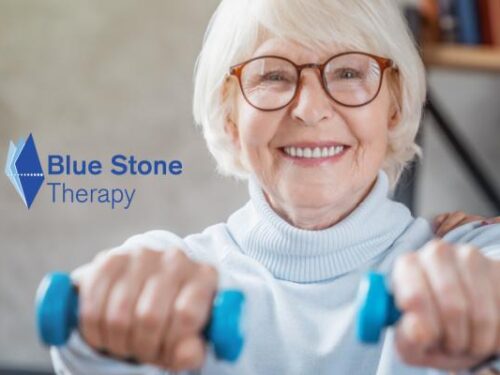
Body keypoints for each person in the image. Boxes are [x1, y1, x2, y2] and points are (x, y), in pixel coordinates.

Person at [50, 0, 500, 374]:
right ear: (230, 117)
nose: (309, 108)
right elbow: (91, 351)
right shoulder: (170, 275)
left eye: (347, 73)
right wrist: (96, 327)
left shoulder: (474, 256)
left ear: (395, 107)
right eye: (273, 76)